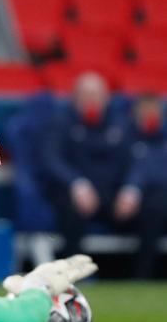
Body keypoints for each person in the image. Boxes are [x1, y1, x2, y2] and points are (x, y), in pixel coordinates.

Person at [40, 71, 136, 261]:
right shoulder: (60, 122)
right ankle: (74, 268)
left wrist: (132, 189)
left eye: (97, 95)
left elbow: (134, 160)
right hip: (75, 192)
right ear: (75, 97)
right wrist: (76, 183)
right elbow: (51, 159)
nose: (92, 100)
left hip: (112, 193)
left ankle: (142, 276)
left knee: (153, 204)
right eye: (86, 95)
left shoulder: (120, 123)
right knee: (69, 206)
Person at [122, 93, 167, 277]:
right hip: (128, 203)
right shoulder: (123, 139)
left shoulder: (163, 141)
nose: (151, 115)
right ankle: (143, 274)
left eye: (154, 111)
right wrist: (132, 188)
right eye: (145, 111)